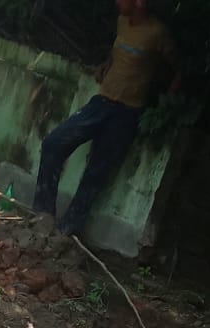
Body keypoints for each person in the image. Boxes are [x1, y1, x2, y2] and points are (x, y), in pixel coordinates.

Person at [33, 0, 178, 238]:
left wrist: (168, 103)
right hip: (101, 102)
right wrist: (107, 64)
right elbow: (118, 51)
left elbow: (178, 67)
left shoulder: (157, 33)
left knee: (96, 173)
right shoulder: (122, 22)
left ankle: (66, 231)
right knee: (53, 143)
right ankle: (43, 214)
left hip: (127, 112)